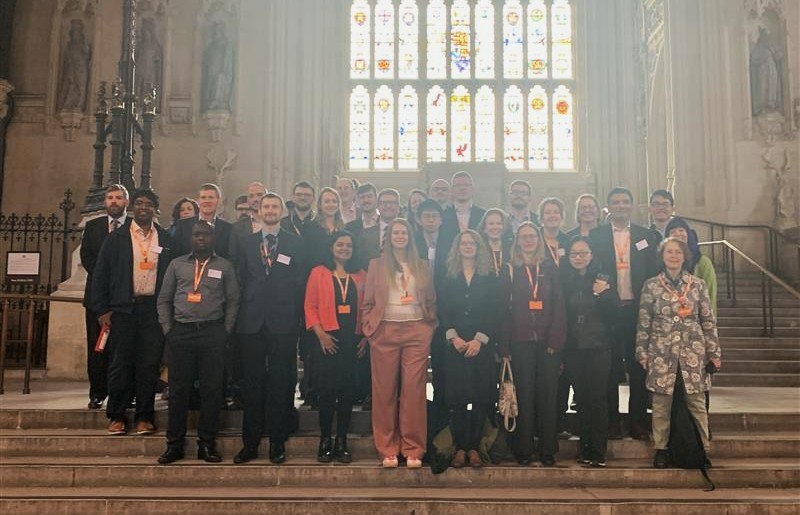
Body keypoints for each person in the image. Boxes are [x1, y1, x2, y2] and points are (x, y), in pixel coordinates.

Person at [156, 221, 240, 464]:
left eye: (205, 234)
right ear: (190, 238)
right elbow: (164, 299)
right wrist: (168, 329)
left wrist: (225, 330)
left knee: (211, 391)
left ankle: (207, 444)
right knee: (179, 391)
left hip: (212, 333)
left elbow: (234, 299)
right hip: (181, 333)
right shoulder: (177, 264)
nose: (201, 238)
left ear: (213, 237)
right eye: (196, 234)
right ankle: (174, 445)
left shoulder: (224, 266)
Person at [90, 189, 172, 436]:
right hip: (123, 308)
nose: (144, 207)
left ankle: (145, 417)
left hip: (153, 310)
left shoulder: (166, 240)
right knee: (120, 364)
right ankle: (116, 415)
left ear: (155, 209)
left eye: (149, 204)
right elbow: (101, 274)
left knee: (148, 365)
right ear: (133, 207)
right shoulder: (117, 238)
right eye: (139, 203)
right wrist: (103, 309)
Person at [233, 193, 307, 464]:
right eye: (266, 206)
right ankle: (249, 443)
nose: (271, 210)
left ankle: (277, 442)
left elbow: (301, 281)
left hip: (284, 322)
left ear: (281, 211)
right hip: (251, 321)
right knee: (251, 384)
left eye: (275, 206)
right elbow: (238, 280)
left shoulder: (295, 243)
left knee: (280, 383)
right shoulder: (245, 243)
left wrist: (297, 317)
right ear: (258, 211)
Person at [636, 237, 721, 468]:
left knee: (696, 402)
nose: (673, 256)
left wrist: (714, 352)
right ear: (662, 256)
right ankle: (661, 449)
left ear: (685, 256)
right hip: (662, 352)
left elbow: (708, 320)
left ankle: (702, 448)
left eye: (677, 252)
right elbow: (644, 322)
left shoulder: (698, 285)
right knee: (661, 403)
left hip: (693, 352)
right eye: (669, 252)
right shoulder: (651, 285)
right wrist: (642, 352)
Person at [362, 219, 437, 468]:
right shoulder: (376, 265)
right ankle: (388, 449)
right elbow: (368, 302)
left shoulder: (422, 266)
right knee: (384, 392)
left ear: (410, 236)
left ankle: (413, 448)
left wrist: (428, 328)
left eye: (404, 232)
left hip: (416, 330)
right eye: (396, 232)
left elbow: (431, 301)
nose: (400, 236)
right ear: (388, 237)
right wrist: (370, 329)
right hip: (385, 331)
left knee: (414, 391)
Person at [589, 187, 660, 440]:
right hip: (607, 310)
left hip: (636, 310)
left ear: (631, 206)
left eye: (625, 202)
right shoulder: (595, 236)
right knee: (608, 368)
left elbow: (653, 272)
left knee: (638, 367)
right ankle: (611, 421)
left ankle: (638, 421)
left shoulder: (645, 236)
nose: (621, 206)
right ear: (608, 207)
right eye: (616, 202)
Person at [498, 222, 566, 466]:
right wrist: (504, 347)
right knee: (523, 395)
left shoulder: (550, 269)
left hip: (548, 343)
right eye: (523, 237)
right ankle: (523, 449)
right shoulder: (510, 270)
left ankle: (547, 449)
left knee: (548, 395)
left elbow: (559, 305)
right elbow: (504, 310)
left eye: (532, 237)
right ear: (517, 241)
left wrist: (556, 340)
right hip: (520, 342)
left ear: (538, 240)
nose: (528, 240)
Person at [304, 231, 367, 463]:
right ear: (331, 247)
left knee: (347, 394)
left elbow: (369, 308)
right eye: (340, 244)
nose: (344, 248)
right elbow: (310, 307)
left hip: (353, 342)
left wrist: (366, 338)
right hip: (327, 341)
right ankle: (325, 440)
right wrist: (321, 334)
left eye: (349, 245)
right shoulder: (318, 273)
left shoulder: (361, 275)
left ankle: (342, 441)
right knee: (328, 393)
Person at [439, 230, 498, 468]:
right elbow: (442, 308)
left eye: (472, 242)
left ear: (479, 246)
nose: (468, 246)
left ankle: (474, 447)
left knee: (480, 397)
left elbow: (496, 309)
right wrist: (453, 337)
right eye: (463, 242)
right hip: (456, 345)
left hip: (480, 345)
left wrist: (479, 339)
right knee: (458, 398)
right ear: (457, 247)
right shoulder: (448, 275)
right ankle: (459, 448)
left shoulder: (490, 275)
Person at [561, 236, 618, 468]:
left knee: (597, 399)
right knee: (581, 399)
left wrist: (602, 295)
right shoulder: (564, 280)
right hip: (574, 348)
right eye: (574, 254)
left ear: (591, 254)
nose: (579, 257)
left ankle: (598, 450)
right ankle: (584, 447)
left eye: (583, 253)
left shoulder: (603, 278)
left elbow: (614, 315)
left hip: (598, 347)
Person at [81, 184, 129, 410]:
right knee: (97, 347)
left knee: (124, 348)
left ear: (126, 202)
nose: (114, 201)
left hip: (125, 298)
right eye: (110, 198)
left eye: (118, 197)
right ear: (105, 202)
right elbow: (88, 258)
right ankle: (98, 392)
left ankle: (125, 393)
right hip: (97, 299)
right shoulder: (93, 226)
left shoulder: (133, 226)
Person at [665, 217, 717, 316]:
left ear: (688, 234)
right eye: (673, 231)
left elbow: (710, 295)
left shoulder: (702, 262)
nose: (678, 234)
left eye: (681, 230)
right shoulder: (663, 262)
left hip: (695, 321)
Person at [172, 184, 234, 260]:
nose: (207, 201)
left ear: (219, 201)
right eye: (203, 197)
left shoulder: (229, 229)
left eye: (211, 197)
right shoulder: (183, 225)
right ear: (198, 201)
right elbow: (175, 254)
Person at [439, 172, 486, 269]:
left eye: (466, 185)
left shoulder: (483, 215)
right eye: (457, 185)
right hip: (449, 268)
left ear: (472, 189)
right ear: (451, 190)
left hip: (478, 268)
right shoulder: (442, 216)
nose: (462, 188)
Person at [345, 183, 382, 272]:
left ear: (376, 199)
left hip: (381, 274)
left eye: (369, 196)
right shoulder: (349, 228)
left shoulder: (385, 223)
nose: (366, 200)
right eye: (362, 197)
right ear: (357, 201)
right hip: (358, 275)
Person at [305, 187, 345, 266]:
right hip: (317, 273)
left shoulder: (344, 228)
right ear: (320, 205)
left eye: (334, 201)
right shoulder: (309, 228)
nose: (331, 204)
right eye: (327, 201)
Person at [477, 208, 513, 277]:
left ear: (504, 227)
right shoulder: (478, 249)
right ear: (484, 228)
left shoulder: (512, 248)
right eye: (491, 224)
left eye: (499, 223)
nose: (495, 227)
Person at [539, 197, 571, 268]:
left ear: (562, 217)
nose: (552, 215)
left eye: (556, 212)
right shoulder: (535, 239)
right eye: (547, 213)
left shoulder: (568, 241)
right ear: (541, 218)